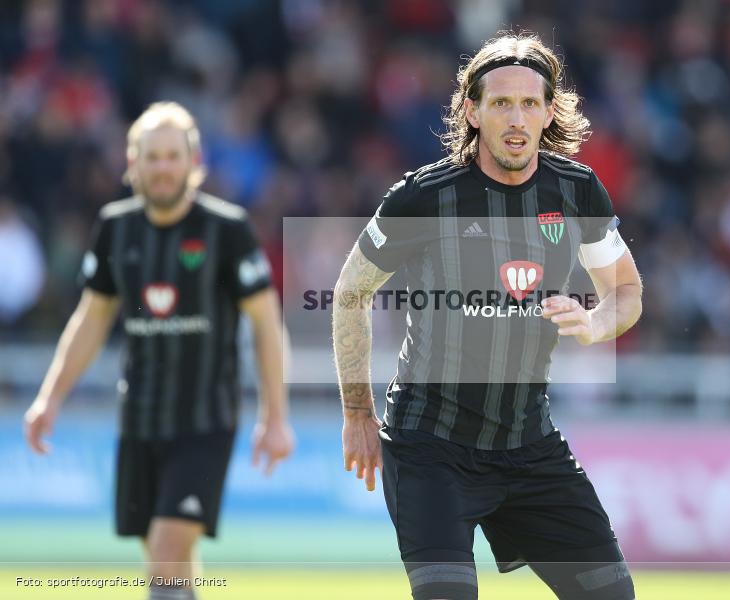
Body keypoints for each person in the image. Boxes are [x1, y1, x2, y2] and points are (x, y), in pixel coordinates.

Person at [333, 33, 642, 600]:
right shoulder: (424, 197)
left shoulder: (577, 191)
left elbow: (626, 291)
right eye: (501, 103)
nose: (516, 118)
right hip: (430, 446)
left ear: (548, 112)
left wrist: (598, 323)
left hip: (529, 443)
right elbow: (351, 293)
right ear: (472, 111)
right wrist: (357, 411)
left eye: (529, 103)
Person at [23, 102, 294, 600]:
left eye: (173, 156)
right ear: (133, 163)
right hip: (139, 419)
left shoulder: (227, 229)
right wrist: (50, 397)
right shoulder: (115, 226)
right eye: (152, 157)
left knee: (166, 558)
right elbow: (91, 318)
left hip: (204, 422)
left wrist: (274, 416)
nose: (163, 167)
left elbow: (266, 324)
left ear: (194, 162)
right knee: (170, 566)